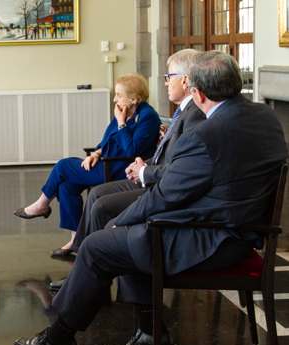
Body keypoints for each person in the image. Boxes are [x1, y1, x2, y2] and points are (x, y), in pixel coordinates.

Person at [14, 50, 289, 345]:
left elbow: (164, 197)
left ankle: (58, 338)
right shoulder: (264, 116)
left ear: (196, 93)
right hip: (240, 229)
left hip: (213, 237)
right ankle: (149, 333)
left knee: (99, 244)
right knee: (129, 236)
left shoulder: (205, 134)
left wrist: (120, 221)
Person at [60, 49, 207, 257]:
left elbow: (172, 163)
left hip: (145, 177)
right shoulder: (181, 111)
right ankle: (81, 254)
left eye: (168, 77)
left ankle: (87, 260)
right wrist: (98, 152)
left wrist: (144, 169)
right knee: (90, 191)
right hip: (133, 167)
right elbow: (107, 140)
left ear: (185, 80)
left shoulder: (180, 115)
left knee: (72, 176)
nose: (165, 82)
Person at [14, 72, 161, 253]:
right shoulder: (124, 111)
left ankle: (42, 205)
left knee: (63, 165)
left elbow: (132, 150)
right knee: (67, 186)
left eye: (119, 95)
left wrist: (121, 123)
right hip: (105, 162)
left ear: (134, 99)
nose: (115, 99)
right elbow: (107, 138)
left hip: (119, 168)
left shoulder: (148, 116)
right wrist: (97, 153)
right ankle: (76, 240)